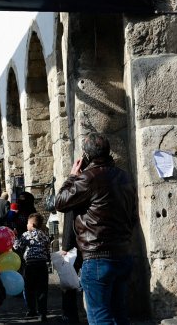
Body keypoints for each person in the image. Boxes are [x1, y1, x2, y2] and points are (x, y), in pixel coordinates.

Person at [54, 134, 139, 325]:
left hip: (97, 257)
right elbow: (133, 216)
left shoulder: (88, 178)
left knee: (100, 317)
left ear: (85, 156)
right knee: (119, 315)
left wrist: (71, 177)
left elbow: (60, 202)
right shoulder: (124, 177)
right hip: (123, 254)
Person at [16, 212, 51, 322]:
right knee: (42, 289)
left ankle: (32, 309)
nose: (26, 225)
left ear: (32, 225)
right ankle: (42, 313)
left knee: (29, 288)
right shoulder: (44, 234)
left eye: (28, 223)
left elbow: (17, 246)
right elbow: (47, 246)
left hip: (30, 265)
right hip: (42, 265)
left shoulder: (26, 234)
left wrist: (15, 237)